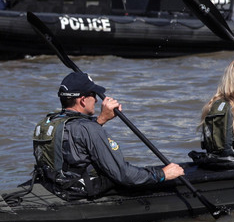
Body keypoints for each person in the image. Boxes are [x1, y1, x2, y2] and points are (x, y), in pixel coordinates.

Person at [32, 72, 184, 200]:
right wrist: (162, 174)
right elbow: (123, 174)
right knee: (124, 175)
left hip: (54, 184)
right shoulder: (89, 129)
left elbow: (76, 145)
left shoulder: (49, 122)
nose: (97, 100)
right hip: (76, 191)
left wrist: (101, 120)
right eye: (93, 95)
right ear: (83, 100)